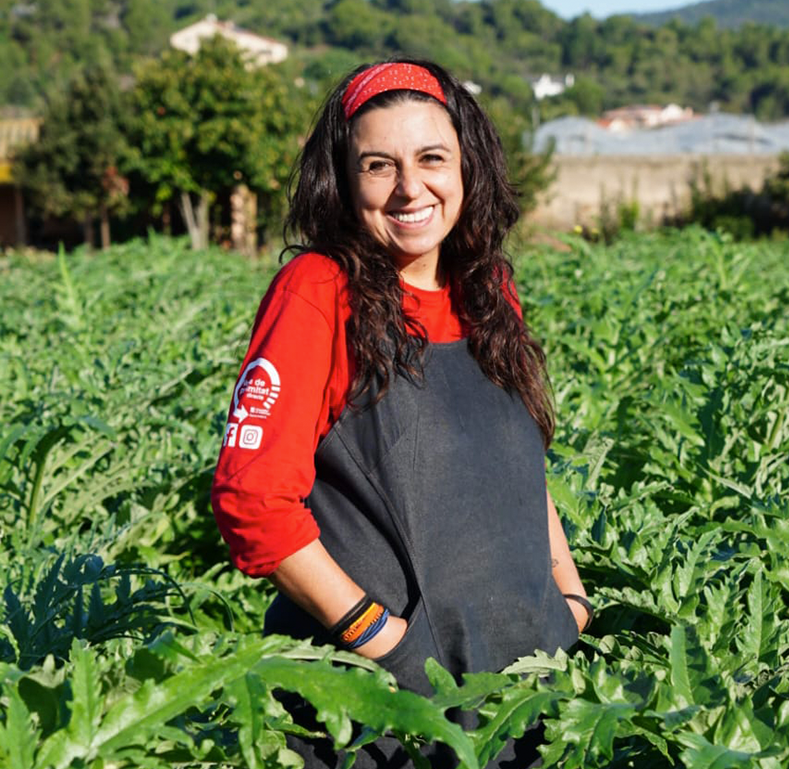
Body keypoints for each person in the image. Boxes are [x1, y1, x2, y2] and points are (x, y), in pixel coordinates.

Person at [210, 59, 592, 766]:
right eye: (379, 165)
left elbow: (518, 469)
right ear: (344, 181)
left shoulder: (487, 290)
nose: (410, 187)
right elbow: (253, 499)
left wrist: (568, 601)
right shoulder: (318, 291)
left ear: (467, 167)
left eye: (431, 159)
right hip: (389, 715)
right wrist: (387, 643)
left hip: (525, 697)